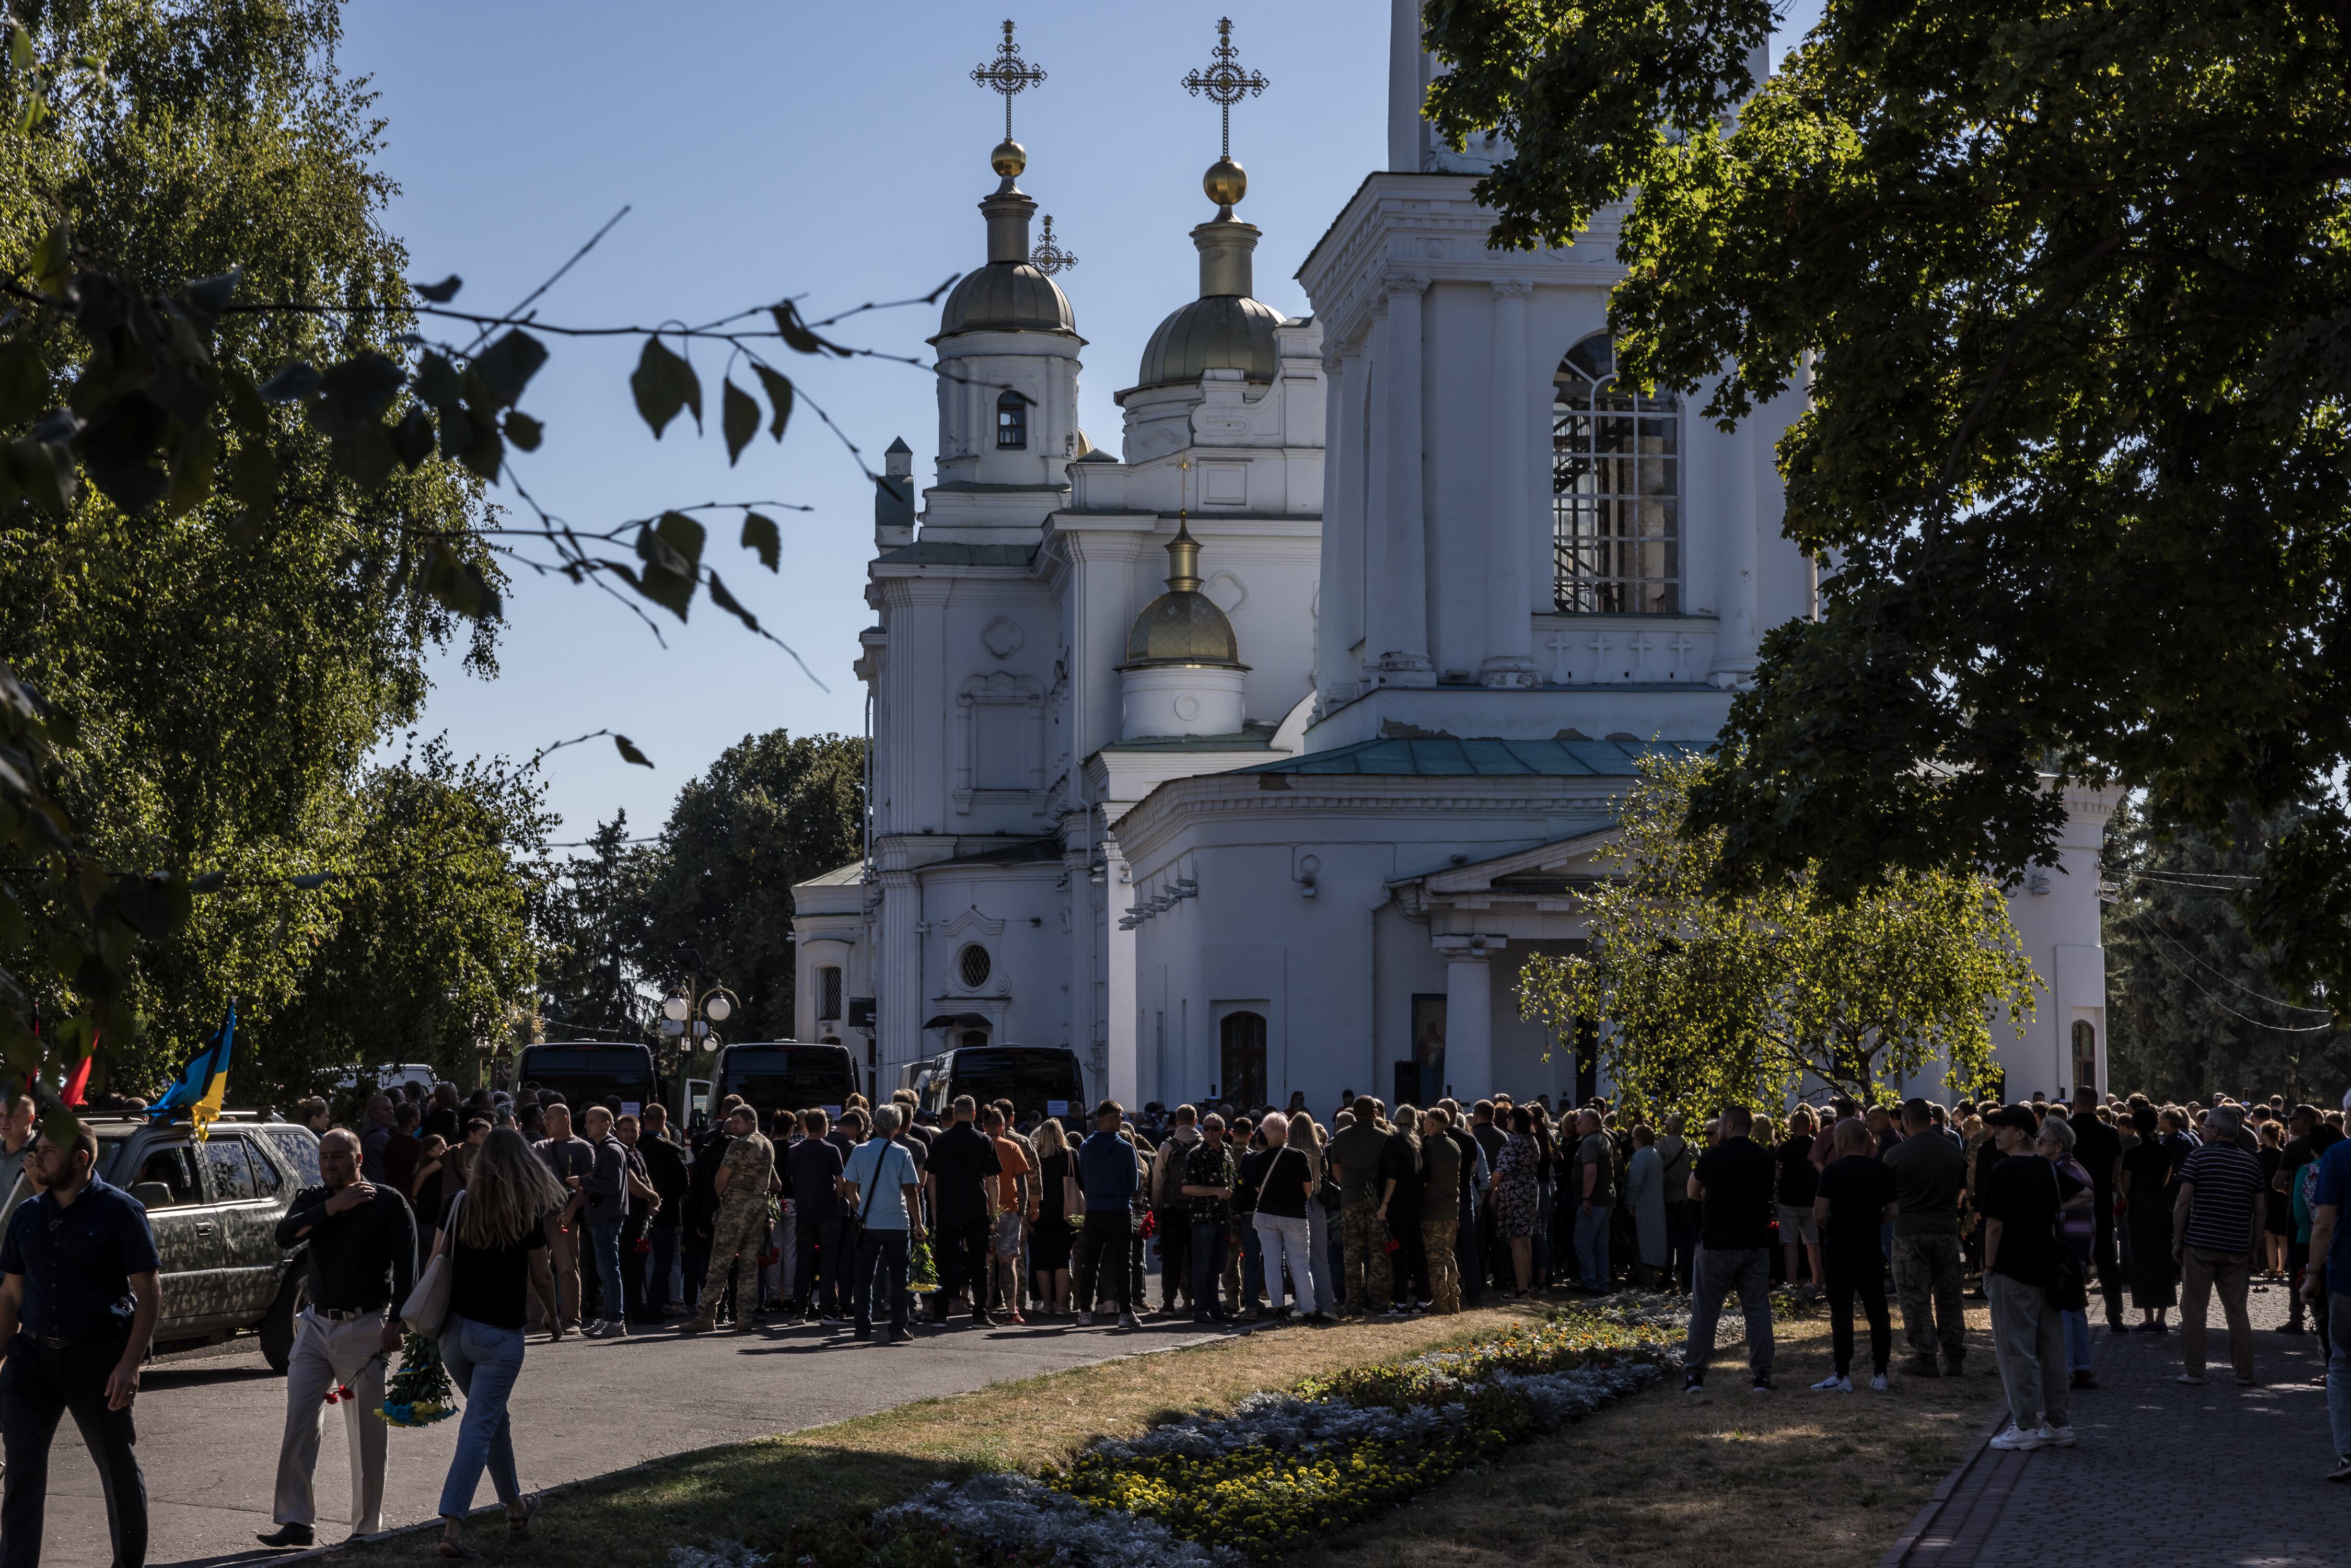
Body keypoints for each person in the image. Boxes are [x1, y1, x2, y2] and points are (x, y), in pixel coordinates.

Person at [0, 1119, 161, 1568]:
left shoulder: (121, 1211)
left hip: (97, 1356)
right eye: (37, 1148)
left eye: (48, 1150)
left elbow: (148, 1290)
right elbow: (11, 1292)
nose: (37, 1156)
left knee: (117, 1468)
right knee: (22, 1474)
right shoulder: (28, 1215)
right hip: (31, 1358)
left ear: (81, 1159)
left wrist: (130, 1364)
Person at [263, 1127, 417, 1548]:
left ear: (358, 1158)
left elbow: (408, 1269)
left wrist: (396, 1324)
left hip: (365, 1324)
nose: (330, 1163)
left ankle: (366, 1528)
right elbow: (283, 1237)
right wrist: (333, 1206)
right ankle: (297, 1521)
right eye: (324, 1156)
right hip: (315, 1324)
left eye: (338, 1155)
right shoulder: (314, 1200)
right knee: (299, 1419)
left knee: (367, 1430)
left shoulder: (388, 1202)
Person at [429, 1127, 561, 1559]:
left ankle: (517, 1509)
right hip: (499, 1337)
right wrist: (555, 1317)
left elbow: (435, 1262)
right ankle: (453, 1526)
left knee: (492, 1420)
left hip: (453, 1334)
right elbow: (541, 1274)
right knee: (480, 1426)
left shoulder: (458, 1204)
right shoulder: (527, 1209)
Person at [1978, 1102, 2086, 1450]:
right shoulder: (2048, 1169)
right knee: (2052, 1349)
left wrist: (1989, 1268)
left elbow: (1995, 1225)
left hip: (2012, 1269)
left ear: (2020, 1132)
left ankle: (2024, 1424)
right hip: (2048, 1269)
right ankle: (2058, 1422)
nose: (1995, 1132)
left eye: (2001, 1127)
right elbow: (2086, 1192)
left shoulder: (2003, 1170)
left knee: (2016, 1350)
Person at [1683, 1105, 1777, 1395]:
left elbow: (1691, 1191)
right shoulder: (1765, 1158)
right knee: (1757, 1310)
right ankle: (1761, 1376)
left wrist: (1710, 1193)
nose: (1718, 1131)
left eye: (1721, 1125)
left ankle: (1695, 1377)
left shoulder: (1713, 1157)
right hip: (1754, 1242)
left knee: (1705, 1313)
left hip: (1716, 1243)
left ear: (1731, 1126)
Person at [2173, 1104, 2266, 1387]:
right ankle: (2245, 1373)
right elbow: (2261, 1210)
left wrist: (2178, 1240)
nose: (2201, 1130)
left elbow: (2183, 1201)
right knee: (2237, 1311)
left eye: (2205, 1127)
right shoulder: (2252, 1162)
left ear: (2215, 1130)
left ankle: (2194, 1371)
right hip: (2236, 1245)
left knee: (2194, 1310)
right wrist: (2253, 1246)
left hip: (2200, 1243)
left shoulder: (2198, 1157)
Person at [1885, 1097, 1970, 1378]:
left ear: (1906, 1121)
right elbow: (1961, 1189)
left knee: (1914, 1297)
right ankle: (1954, 1357)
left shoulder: (1896, 1156)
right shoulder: (1952, 1152)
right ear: (1931, 1119)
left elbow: (1887, 1198)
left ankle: (1925, 1357)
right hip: (1946, 1232)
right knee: (1950, 1297)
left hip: (1910, 1232)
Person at [1812, 1117, 1898, 1392]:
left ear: (1844, 1141)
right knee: (1877, 1309)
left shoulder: (1832, 1171)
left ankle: (1842, 1373)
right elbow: (1893, 1212)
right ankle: (1881, 1372)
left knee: (1841, 1311)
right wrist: (1871, 1223)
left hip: (1839, 1247)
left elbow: (1819, 1215)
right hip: (1870, 1245)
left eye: (1836, 1138)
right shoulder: (1882, 1170)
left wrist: (1837, 1226)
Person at [688, 1105, 776, 1333]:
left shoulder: (738, 1145)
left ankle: (707, 1316)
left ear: (750, 1122)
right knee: (748, 1265)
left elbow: (720, 1180)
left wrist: (724, 1199)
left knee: (719, 1263)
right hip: (758, 1207)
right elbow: (776, 1184)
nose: (732, 1126)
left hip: (736, 1207)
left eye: (737, 1122)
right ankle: (745, 1317)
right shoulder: (767, 1145)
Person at [842, 1105, 925, 1343]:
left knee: (865, 1276)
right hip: (897, 1223)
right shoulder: (902, 1153)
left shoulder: (860, 1151)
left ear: (875, 1125)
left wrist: (860, 1211)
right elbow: (910, 1191)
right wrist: (919, 1223)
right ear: (897, 1128)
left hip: (869, 1224)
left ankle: (862, 1327)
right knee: (900, 1277)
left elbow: (850, 1187)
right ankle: (898, 1327)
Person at [924, 1096, 1002, 1327]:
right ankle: (979, 1313)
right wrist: (994, 1212)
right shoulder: (983, 1140)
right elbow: (993, 1180)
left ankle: (940, 1314)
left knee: (945, 1262)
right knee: (979, 1263)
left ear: (955, 1114)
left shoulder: (941, 1140)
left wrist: (935, 1209)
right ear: (975, 1114)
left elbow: (932, 1179)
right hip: (976, 1208)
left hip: (948, 1207)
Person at [1242, 1112, 1320, 1321]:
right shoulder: (1298, 1156)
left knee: (1272, 1261)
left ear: (1266, 1135)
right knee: (1300, 1263)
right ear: (1286, 1133)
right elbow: (1308, 1188)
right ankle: (1308, 1308)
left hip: (1267, 1214)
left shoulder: (1258, 1159)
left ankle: (1277, 1307)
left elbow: (1259, 1188)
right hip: (1294, 1214)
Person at [2040, 1115, 2099, 1389]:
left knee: (2063, 1310)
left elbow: (2078, 1209)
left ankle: (2069, 1368)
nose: (2038, 1144)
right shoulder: (2074, 1167)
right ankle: (2082, 1367)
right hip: (2076, 1247)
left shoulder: (2063, 1170)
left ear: (2058, 1144)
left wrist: (2054, 1212)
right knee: (2074, 1309)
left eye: (2043, 1140)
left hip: (2065, 1249)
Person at [529, 1102, 595, 1335]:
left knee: (568, 1267)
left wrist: (571, 1210)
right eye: (544, 1118)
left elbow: (587, 1186)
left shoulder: (582, 1148)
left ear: (565, 1119)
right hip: (538, 1215)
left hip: (564, 1216)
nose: (545, 1122)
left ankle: (571, 1320)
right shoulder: (538, 1147)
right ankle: (536, 1320)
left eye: (550, 1118)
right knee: (536, 1269)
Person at [1073, 1100, 1139, 1328]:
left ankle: (1084, 1312)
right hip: (1120, 1209)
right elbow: (1134, 1183)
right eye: (1120, 1117)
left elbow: (1082, 1178)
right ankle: (1126, 1312)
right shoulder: (1125, 1148)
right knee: (1123, 1263)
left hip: (1094, 1209)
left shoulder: (1086, 1147)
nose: (1123, 1121)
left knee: (1089, 1263)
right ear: (1111, 1120)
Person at [1329, 1096, 1393, 1318]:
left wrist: (1348, 1186)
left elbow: (1336, 1171)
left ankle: (1353, 1302)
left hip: (1351, 1199)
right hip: (1377, 1201)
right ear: (1375, 1113)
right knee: (1377, 1254)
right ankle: (1378, 1301)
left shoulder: (1341, 1137)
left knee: (1352, 1254)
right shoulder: (1385, 1138)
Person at [2069, 1088, 2126, 1332]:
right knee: (2107, 1262)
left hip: (2071, 1203)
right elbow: (2116, 1167)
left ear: (2074, 1103)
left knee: (2072, 1260)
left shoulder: (2066, 1131)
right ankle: (2115, 1315)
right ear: (2096, 1105)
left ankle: (2073, 1314)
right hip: (2100, 1203)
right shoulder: (2109, 1132)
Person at [2119, 1104, 2178, 1330]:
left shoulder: (2133, 1154)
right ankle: (2162, 1317)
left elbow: (2125, 1185)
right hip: (2159, 1204)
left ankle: (2149, 1317)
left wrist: (2135, 1197)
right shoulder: (2164, 1152)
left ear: (2135, 1127)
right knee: (2162, 1258)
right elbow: (2166, 1179)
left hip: (2139, 1206)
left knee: (2141, 1259)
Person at [787, 1109, 848, 1321]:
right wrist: (836, 1196)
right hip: (828, 1211)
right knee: (828, 1262)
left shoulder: (794, 1151)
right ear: (825, 1126)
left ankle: (800, 1310)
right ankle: (828, 1310)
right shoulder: (831, 1150)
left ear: (805, 1126)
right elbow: (841, 1184)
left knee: (803, 1262)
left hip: (804, 1211)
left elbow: (794, 1181)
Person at [577, 1105, 633, 1338]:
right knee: (606, 1269)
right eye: (588, 1121)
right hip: (604, 1216)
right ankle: (609, 1317)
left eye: (592, 1122)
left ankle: (615, 1320)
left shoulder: (610, 1150)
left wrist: (583, 1182)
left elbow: (612, 1185)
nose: (587, 1125)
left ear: (606, 1124)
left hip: (607, 1217)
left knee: (609, 1270)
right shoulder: (605, 1149)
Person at [1182, 1112, 1239, 1323]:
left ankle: (1215, 1309)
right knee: (1201, 1267)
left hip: (1223, 1218)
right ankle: (1201, 1310)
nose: (1208, 1132)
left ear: (1223, 1132)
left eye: (1214, 1129)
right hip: (1203, 1219)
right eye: (1205, 1128)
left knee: (1217, 1267)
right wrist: (1215, 1190)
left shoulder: (1227, 1152)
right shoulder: (1195, 1155)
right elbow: (1187, 1188)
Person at [983, 1106, 1033, 1325]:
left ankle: (982, 1308)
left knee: (984, 1262)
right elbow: (1022, 1183)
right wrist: (1022, 1210)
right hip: (1009, 1210)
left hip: (983, 1211)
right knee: (1008, 1262)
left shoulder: (979, 1145)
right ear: (1003, 1127)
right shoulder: (1013, 1147)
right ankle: (1011, 1310)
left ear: (984, 1127)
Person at [1030, 1116, 1076, 1315]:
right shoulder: (1069, 1155)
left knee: (1041, 1261)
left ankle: (1047, 1304)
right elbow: (1079, 1184)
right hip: (1064, 1214)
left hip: (1038, 1214)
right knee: (1062, 1260)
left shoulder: (1035, 1156)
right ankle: (1061, 1305)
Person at [1491, 1107, 1539, 1296]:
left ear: (1516, 1120)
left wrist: (1493, 1187)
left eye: (1510, 1118)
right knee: (1525, 1239)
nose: (1507, 1121)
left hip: (1515, 1192)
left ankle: (1521, 1289)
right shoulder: (1532, 1141)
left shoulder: (1514, 1143)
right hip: (1529, 1189)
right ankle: (1525, 1284)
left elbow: (1500, 1171)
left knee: (1517, 1240)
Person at [1776, 1108, 1824, 1296]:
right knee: (1813, 1242)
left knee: (1790, 1243)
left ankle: (1791, 1282)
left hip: (1789, 1200)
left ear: (1792, 1126)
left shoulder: (1785, 1147)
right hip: (1812, 1200)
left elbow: (1776, 1170)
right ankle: (1816, 1280)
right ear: (1811, 1125)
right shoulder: (1816, 1146)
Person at [1568, 1108, 1616, 1294]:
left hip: (1594, 1201)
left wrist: (1586, 1198)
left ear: (1591, 1124)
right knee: (1600, 1244)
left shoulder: (1590, 1142)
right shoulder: (1604, 1139)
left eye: (1580, 1121)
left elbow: (1591, 1171)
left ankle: (1591, 1283)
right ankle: (1603, 1283)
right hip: (1606, 1199)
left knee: (1582, 1242)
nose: (1576, 1124)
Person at [1657, 1113, 1697, 1290]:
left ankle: (1667, 1278)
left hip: (1666, 1198)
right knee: (1687, 1244)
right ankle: (1688, 1281)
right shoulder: (1692, 1146)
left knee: (1667, 1242)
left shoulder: (1660, 1146)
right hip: (1686, 1198)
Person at [1624, 1124, 1666, 1288]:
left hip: (1643, 1206)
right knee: (1652, 1244)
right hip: (1655, 1206)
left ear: (1640, 1139)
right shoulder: (1655, 1154)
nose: (1632, 1141)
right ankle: (1652, 1280)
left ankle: (1646, 1282)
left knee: (1641, 1245)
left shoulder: (1641, 1156)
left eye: (1633, 1138)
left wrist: (1629, 1203)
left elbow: (1634, 1183)